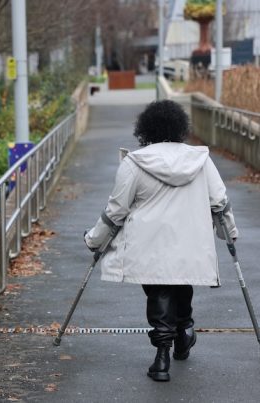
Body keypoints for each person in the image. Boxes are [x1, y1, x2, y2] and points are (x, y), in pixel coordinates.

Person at [84, 100, 238, 382]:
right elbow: (220, 203)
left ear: (145, 129)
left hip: (148, 245)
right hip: (191, 242)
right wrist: (229, 233)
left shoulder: (135, 163)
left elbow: (115, 212)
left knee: (159, 291)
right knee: (180, 283)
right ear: (181, 128)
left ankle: (162, 355)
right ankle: (184, 330)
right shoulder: (201, 160)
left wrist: (95, 241)